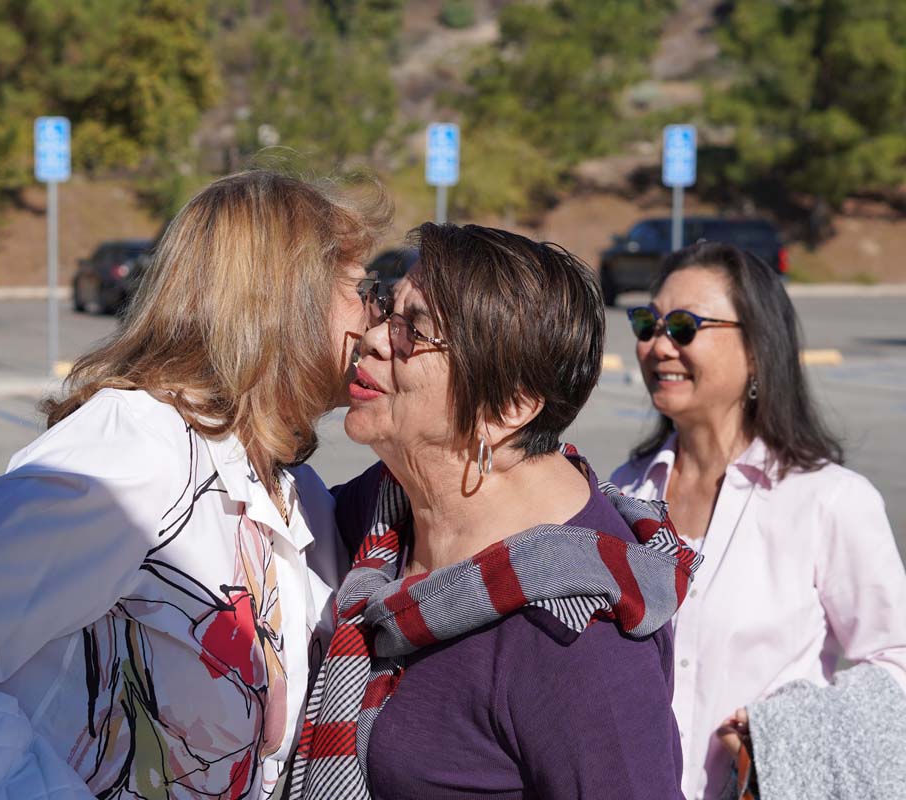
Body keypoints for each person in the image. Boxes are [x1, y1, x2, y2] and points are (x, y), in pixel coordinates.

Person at [0, 170, 391, 799]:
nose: (376, 317)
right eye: (360, 291)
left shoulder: (289, 481)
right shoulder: (137, 446)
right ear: (285, 300)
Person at [290, 223, 699, 800]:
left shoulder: (574, 642)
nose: (375, 338)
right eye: (387, 309)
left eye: (415, 331)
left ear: (507, 406)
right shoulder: (388, 511)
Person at [611, 242, 906, 800]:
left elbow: (897, 661)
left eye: (684, 326)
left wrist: (781, 731)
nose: (657, 345)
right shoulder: (621, 492)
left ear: (756, 349)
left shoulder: (829, 501)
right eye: (648, 323)